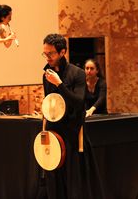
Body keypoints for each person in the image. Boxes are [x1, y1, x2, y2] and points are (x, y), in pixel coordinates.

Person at [40, 33, 105, 199]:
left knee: (73, 178)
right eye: (45, 53)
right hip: (54, 131)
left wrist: (59, 84)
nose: (47, 57)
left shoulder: (77, 73)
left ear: (62, 52)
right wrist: (44, 131)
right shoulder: (46, 74)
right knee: (54, 176)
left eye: (51, 54)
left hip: (72, 133)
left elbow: (78, 102)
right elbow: (49, 103)